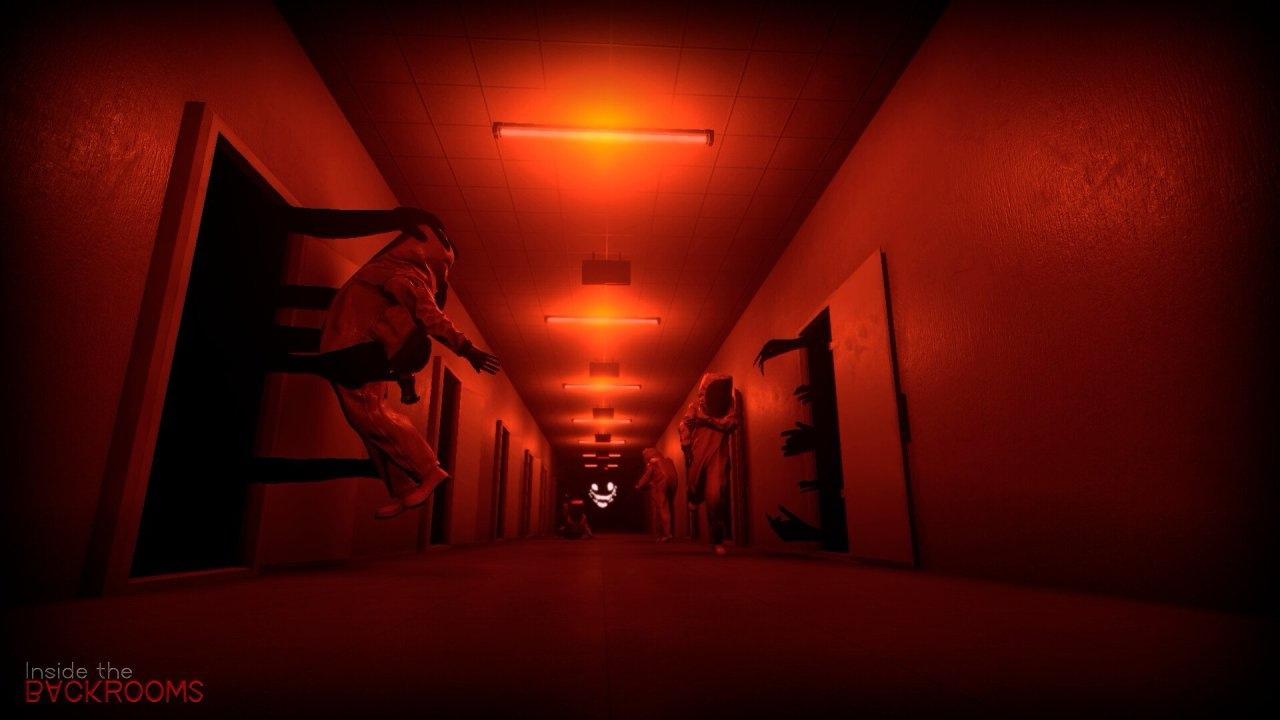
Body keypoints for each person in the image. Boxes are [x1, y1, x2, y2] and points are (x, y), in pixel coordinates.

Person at [281, 205, 500, 520]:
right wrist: (407, 378)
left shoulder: (403, 273)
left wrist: (467, 349)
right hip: (364, 347)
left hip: (352, 348)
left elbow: (429, 317)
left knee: (370, 417)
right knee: (371, 421)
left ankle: (428, 470)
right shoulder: (407, 275)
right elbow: (401, 330)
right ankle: (402, 488)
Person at [679, 373, 739, 555]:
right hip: (698, 455)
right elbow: (684, 424)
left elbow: (730, 424)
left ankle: (717, 540)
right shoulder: (694, 407)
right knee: (694, 486)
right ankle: (694, 497)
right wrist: (685, 438)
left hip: (718, 457)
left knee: (715, 496)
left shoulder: (728, 407)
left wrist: (706, 420)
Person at [636, 447, 678, 542]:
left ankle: (666, 534)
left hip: (660, 486)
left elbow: (646, 478)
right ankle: (668, 533)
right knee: (669, 508)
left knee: (662, 510)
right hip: (672, 485)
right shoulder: (668, 461)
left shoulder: (652, 464)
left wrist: (639, 485)